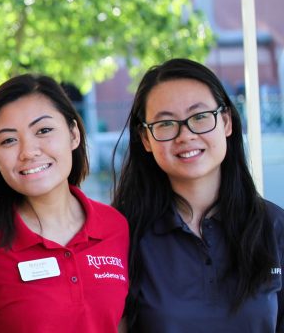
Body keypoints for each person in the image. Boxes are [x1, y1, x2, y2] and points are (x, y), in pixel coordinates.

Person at [112, 58, 284, 332]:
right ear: (146, 139)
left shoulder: (274, 226)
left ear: (226, 122)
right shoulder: (120, 235)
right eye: (166, 123)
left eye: (200, 117)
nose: (185, 135)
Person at [0, 75, 128, 332]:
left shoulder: (115, 226)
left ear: (73, 134)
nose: (28, 151)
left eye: (44, 131)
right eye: (8, 140)